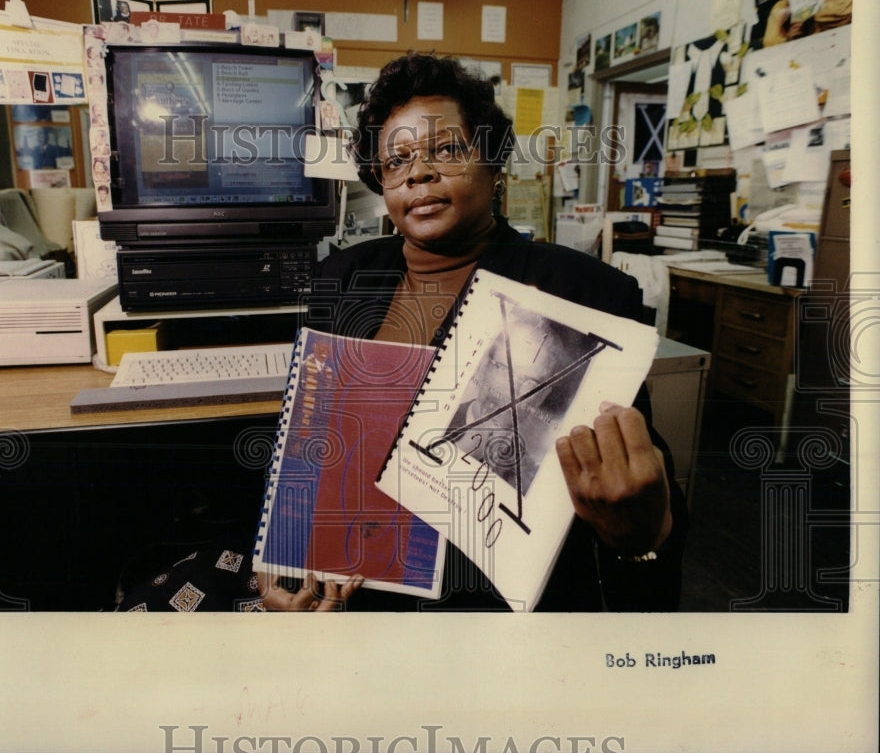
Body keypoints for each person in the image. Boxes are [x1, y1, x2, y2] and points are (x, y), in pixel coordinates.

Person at [257, 53, 686, 612]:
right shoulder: (343, 276)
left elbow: (638, 486)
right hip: (358, 582)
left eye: (446, 151)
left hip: (490, 604)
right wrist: (283, 559)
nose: (419, 173)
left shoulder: (586, 293)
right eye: (397, 161)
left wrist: (643, 532)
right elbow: (304, 444)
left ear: (494, 162)